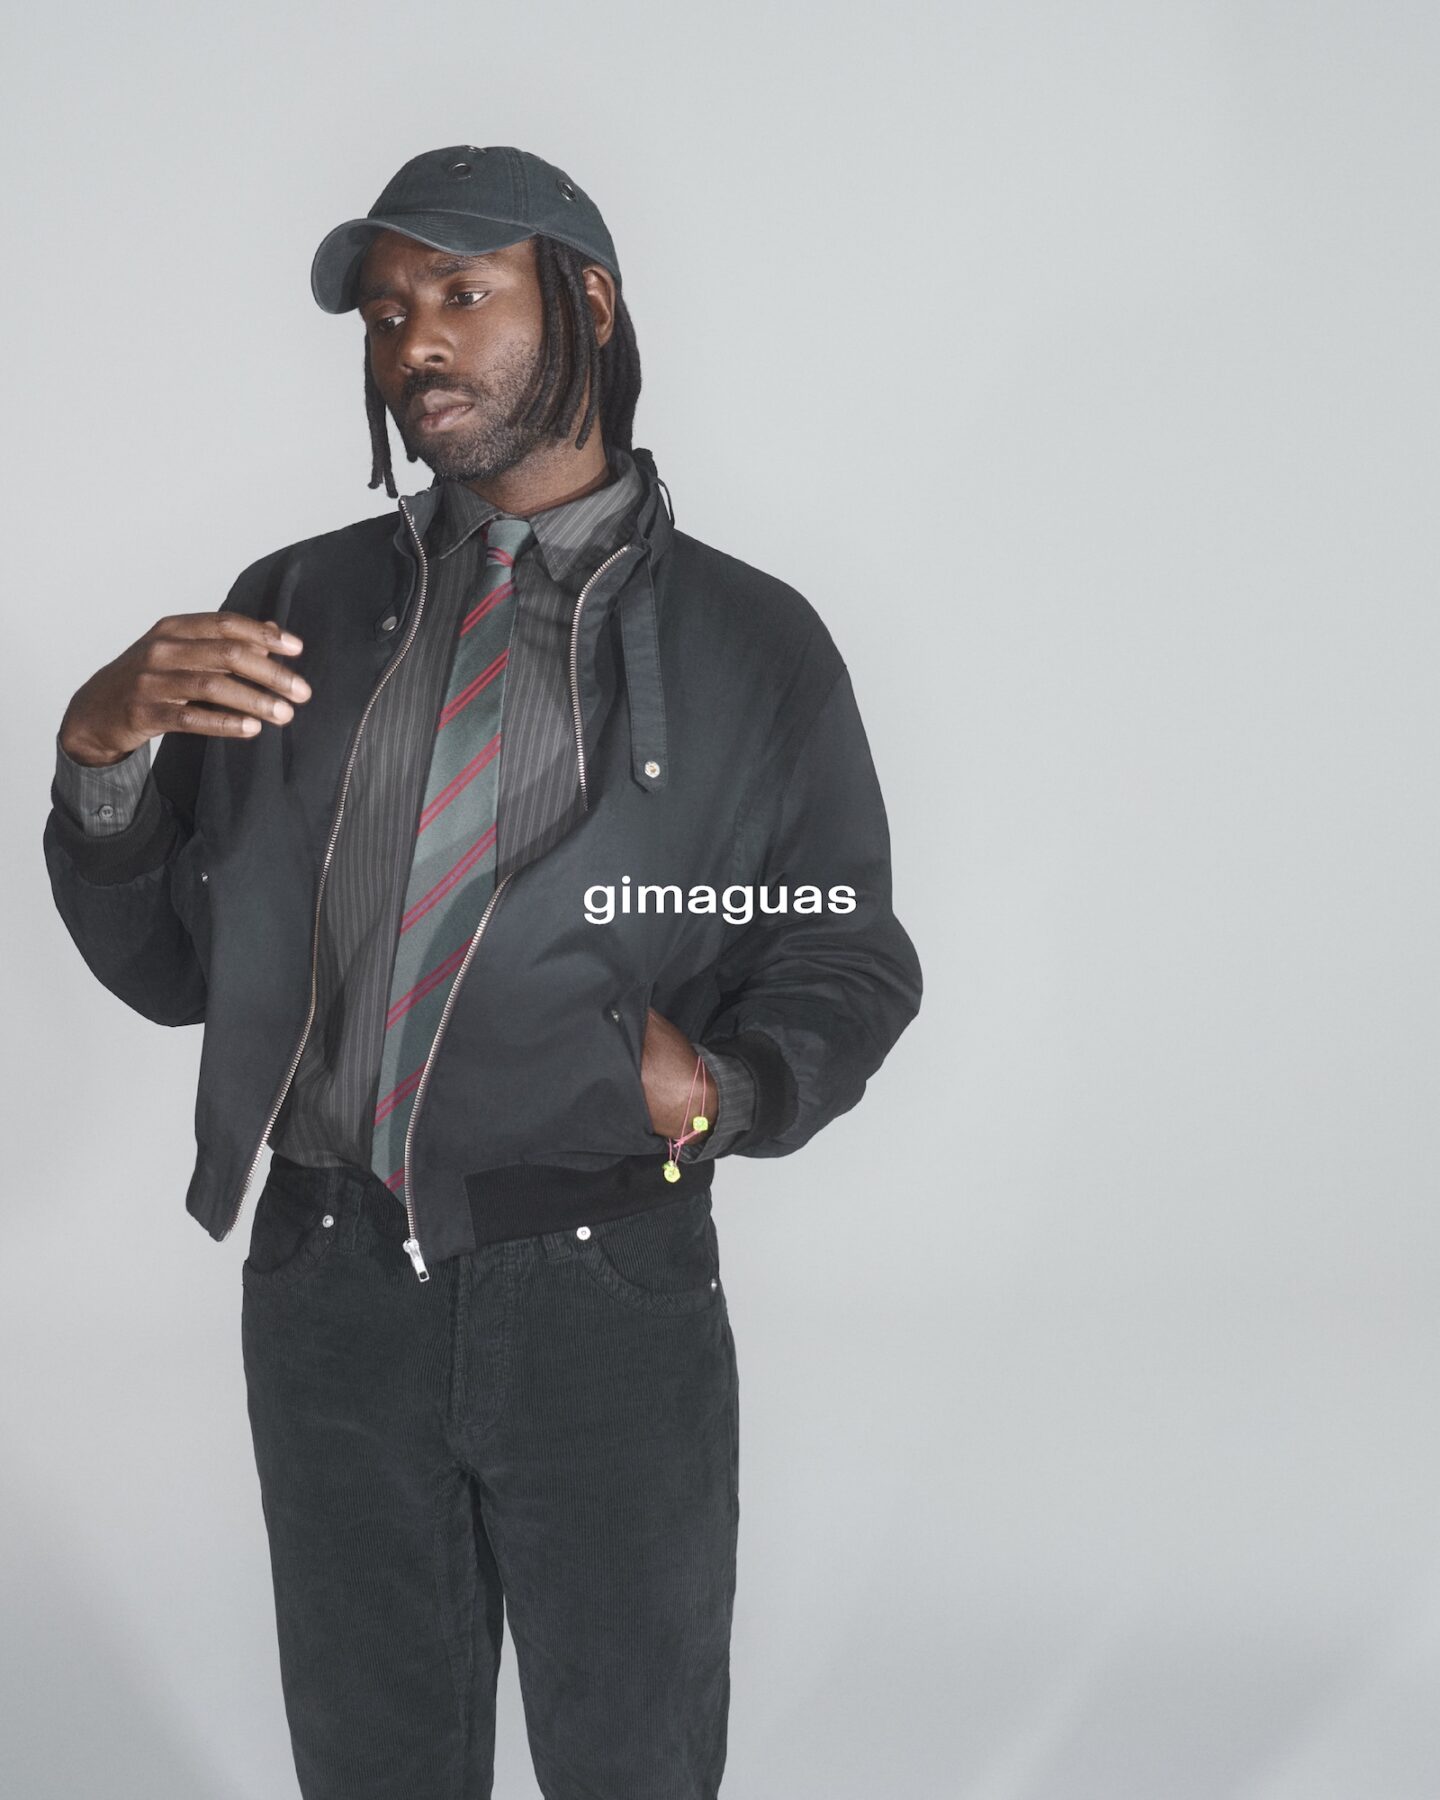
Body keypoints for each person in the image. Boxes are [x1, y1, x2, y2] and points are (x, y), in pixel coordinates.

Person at [42, 143, 923, 1800]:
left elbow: (842, 944)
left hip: (602, 1286)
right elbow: (172, 971)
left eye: (460, 292)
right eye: (386, 312)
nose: (417, 344)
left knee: (633, 1758)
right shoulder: (295, 608)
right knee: (370, 1764)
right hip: (327, 1286)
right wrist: (100, 764)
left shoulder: (753, 645)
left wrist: (731, 1087)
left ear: (586, 301)